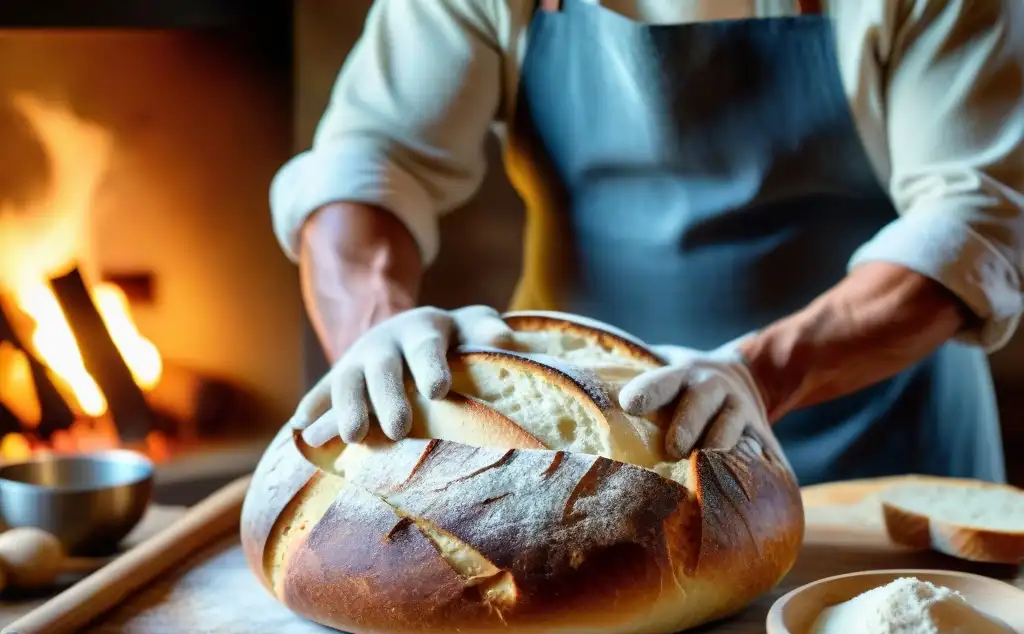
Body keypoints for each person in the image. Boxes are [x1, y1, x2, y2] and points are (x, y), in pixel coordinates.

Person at [270, 0, 1024, 487]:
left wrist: (758, 375)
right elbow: (370, 161)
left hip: (881, 448)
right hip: (576, 453)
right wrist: (377, 335)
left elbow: (978, 217)